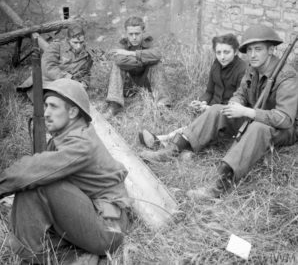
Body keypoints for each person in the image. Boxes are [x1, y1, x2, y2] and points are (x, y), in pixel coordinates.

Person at [141, 24, 298, 199]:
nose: (252, 55)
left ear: (271, 50)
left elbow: (285, 119)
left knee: (258, 128)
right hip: (255, 116)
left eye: (258, 49)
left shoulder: (287, 76)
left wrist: (248, 112)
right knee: (217, 109)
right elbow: (240, 94)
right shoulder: (253, 69)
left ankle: (221, 183)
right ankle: (174, 149)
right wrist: (233, 105)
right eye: (249, 50)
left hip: (283, 129)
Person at [1, 79, 131, 264]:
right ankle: (74, 257)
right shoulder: (64, 138)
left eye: (53, 107)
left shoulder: (81, 144)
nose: (46, 113)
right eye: (45, 106)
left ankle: (31, 254)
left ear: (72, 112)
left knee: (37, 182)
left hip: (108, 229)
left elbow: (31, 171)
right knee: (31, 186)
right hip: (93, 213)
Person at [139, 33, 247, 150]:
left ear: (236, 52)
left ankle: (163, 141)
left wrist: (210, 109)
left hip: (227, 117)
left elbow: (237, 104)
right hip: (211, 111)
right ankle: (164, 141)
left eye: (226, 52)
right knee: (194, 126)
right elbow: (209, 92)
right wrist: (201, 102)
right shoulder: (216, 65)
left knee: (196, 127)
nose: (222, 57)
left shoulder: (242, 70)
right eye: (218, 52)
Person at [104, 16, 171, 118]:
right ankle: (114, 105)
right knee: (117, 65)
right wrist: (144, 60)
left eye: (137, 34)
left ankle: (163, 105)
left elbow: (157, 55)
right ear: (126, 34)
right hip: (128, 84)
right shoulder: (121, 43)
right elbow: (119, 60)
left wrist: (131, 54)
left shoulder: (149, 41)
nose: (134, 37)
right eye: (131, 34)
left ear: (143, 32)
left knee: (157, 64)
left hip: (147, 83)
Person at [17, 24, 93, 100]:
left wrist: (85, 83)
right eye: (75, 42)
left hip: (69, 86)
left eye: (81, 42)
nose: (79, 46)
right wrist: (69, 78)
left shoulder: (86, 54)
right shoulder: (56, 46)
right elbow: (47, 67)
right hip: (47, 82)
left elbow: (86, 72)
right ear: (68, 39)